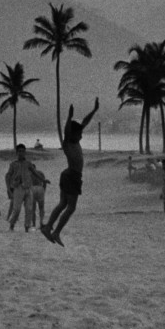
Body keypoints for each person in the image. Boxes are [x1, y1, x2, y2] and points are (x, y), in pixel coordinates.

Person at [39, 98, 98, 246]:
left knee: (63, 204)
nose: (81, 136)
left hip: (69, 175)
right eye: (79, 134)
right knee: (71, 207)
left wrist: (94, 110)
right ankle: (56, 232)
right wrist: (69, 117)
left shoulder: (75, 141)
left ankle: (48, 227)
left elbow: (84, 122)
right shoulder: (68, 143)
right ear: (73, 134)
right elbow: (67, 131)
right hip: (72, 176)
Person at [5, 144, 38, 231]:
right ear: (16, 152)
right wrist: (8, 189)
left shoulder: (28, 163)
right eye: (19, 151)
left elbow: (35, 172)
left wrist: (43, 180)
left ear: (25, 152)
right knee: (17, 209)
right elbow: (8, 176)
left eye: (23, 151)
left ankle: (27, 226)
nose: (21, 153)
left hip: (28, 187)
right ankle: (12, 225)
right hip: (18, 188)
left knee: (29, 208)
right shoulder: (13, 164)